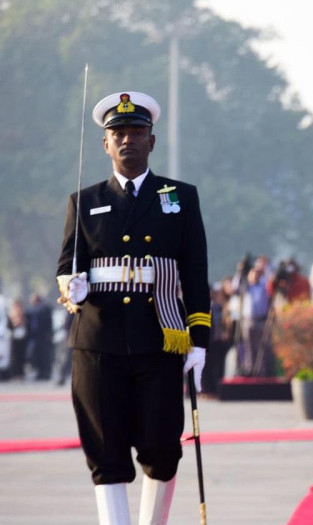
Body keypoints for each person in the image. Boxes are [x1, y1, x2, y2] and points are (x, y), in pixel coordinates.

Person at [55, 91, 209, 525]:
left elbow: (195, 272)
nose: (127, 140)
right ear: (105, 144)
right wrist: (71, 285)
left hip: (158, 338)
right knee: (105, 450)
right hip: (98, 340)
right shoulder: (84, 200)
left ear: (151, 141)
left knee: (162, 447)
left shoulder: (179, 197)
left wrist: (199, 341)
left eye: (137, 132)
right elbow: (66, 266)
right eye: (118, 133)